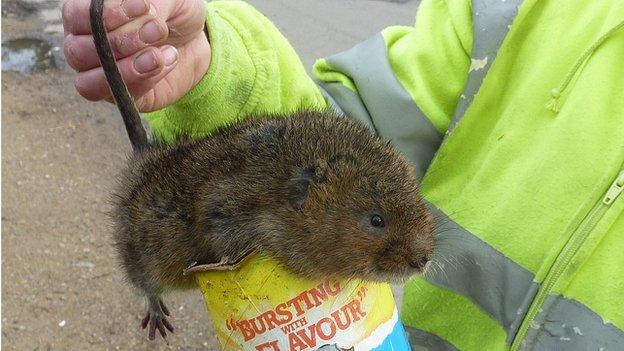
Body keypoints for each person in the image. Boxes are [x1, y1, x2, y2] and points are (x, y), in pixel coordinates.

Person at [61, 0, 624, 349]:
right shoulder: (527, 10)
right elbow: (332, 137)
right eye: (382, 223)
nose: (421, 253)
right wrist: (211, 67)